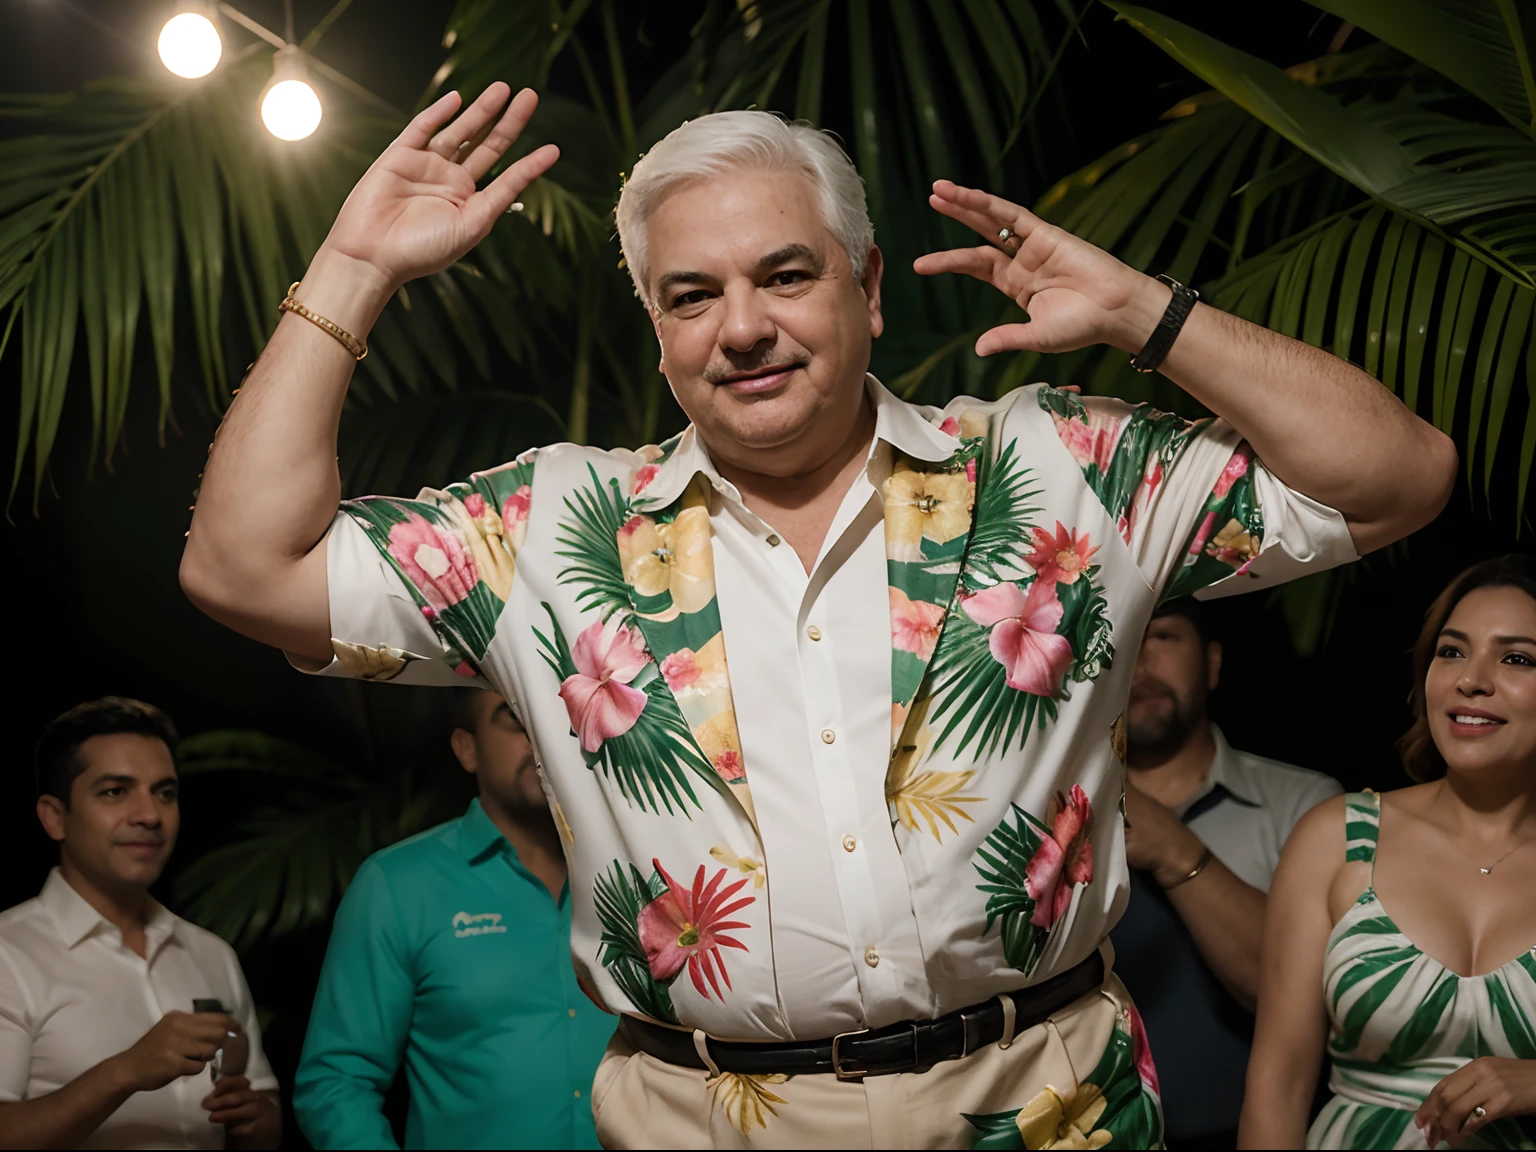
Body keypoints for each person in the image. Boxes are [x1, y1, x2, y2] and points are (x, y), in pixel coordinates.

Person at [178, 82, 1455, 1148]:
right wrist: (352, 270)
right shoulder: (547, 532)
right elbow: (242, 568)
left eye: (785, 275)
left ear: (869, 288)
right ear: (661, 332)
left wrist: (1146, 317)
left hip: (1046, 1108)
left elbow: (1399, 477)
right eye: (691, 296)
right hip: (705, 1122)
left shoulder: (1059, 469)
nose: (743, 328)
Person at [1241, 554, 1536, 1150]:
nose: (1470, 679)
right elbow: (1277, 1085)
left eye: (1517, 658)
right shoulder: (1340, 837)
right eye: (1451, 651)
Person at [293, 690, 613, 1149]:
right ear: (466, 749)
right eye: (517, 718)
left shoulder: (639, 876)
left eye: (560, 716)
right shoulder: (398, 884)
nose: (545, 734)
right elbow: (336, 1081)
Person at [0, 698, 280, 1150]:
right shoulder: (7, 955)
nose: (150, 815)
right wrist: (126, 1071)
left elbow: (263, 1113)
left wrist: (258, 1121)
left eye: (165, 793)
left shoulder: (211, 953)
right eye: (115, 791)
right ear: (55, 817)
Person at [1110, 597, 1341, 1147]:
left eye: (1163, 636)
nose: (1141, 663)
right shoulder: (1059, 815)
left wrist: (1174, 849)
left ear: (1212, 663)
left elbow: (1311, 997)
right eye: (1122, 643)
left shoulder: (1309, 805)